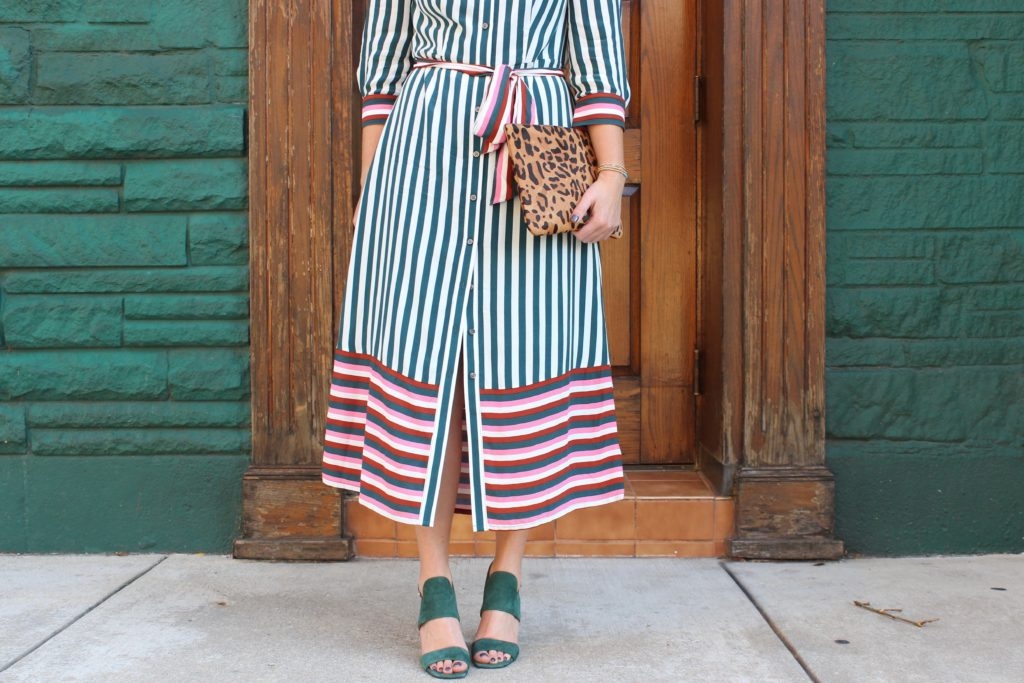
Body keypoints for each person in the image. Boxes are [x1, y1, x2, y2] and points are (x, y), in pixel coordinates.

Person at [321, 0, 631, 678]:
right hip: (420, 162)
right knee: (426, 361)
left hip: (536, 160)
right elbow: (380, 80)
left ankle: (507, 576)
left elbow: (600, 73)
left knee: (529, 356)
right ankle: (433, 580)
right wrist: (373, 191)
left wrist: (611, 175)